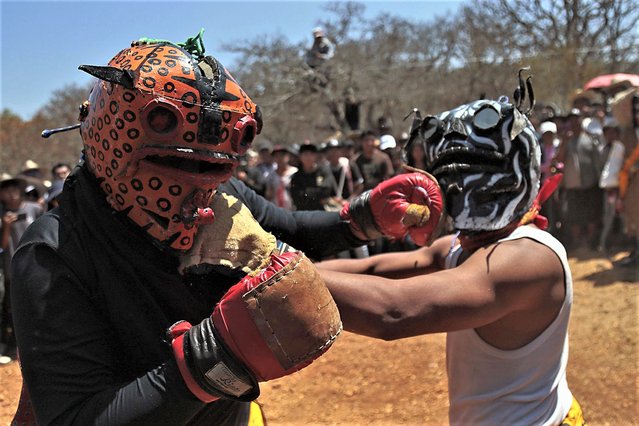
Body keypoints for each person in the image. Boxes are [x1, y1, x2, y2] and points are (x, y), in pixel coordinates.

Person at [10, 33, 435, 425]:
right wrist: (215, 360)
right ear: (114, 148)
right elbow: (73, 417)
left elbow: (290, 229)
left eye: (212, 169)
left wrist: (362, 220)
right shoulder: (53, 252)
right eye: (176, 165)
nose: (201, 192)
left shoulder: (218, 192)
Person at [317, 93, 586, 425]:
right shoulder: (460, 247)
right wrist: (270, 257)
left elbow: (392, 311)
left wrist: (270, 270)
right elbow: (371, 268)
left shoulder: (528, 257)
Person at [0, 174, 43, 364]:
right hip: (12, 268)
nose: (11, 195)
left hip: (37, 264)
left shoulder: (36, 208)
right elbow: (1, 245)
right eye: (6, 191)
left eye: (14, 190)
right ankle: (15, 347)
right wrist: (6, 226)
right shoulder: (1, 214)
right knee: (14, 309)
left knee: (40, 304)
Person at [598, 117, 626, 253]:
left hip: (624, 188)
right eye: (607, 133)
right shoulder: (603, 150)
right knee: (608, 217)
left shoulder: (622, 148)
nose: (609, 135)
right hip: (610, 190)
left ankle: (625, 243)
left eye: (612, 132)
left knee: (624, 217)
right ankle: (604, 244)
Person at [289, 142, 334, 211]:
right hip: (303, 212)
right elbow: (297, 197)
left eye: (311, 154)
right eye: (305, 154)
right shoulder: (296, 176)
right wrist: (315, 193)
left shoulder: (323, 171)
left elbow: (326, 191)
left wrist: (306, 192)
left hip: (321, 211)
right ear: (300, 157)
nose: (308, 157)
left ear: (315, 156)